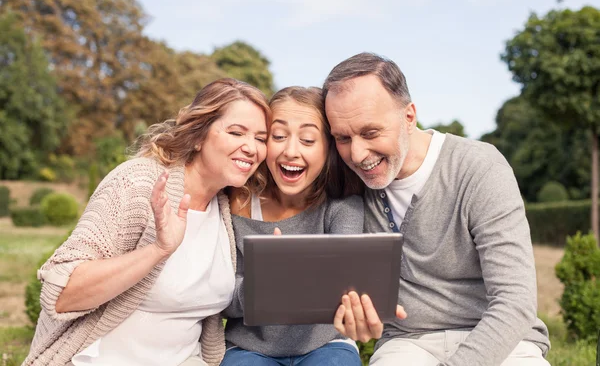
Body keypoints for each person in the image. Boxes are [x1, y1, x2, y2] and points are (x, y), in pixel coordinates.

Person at [323, 53, 551, 366]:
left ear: (409, 117)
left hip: (502, 341)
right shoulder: (348, 179)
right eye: (342, 138)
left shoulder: (479, 167)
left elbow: (516, 302)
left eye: (371, 133)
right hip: (407, 343)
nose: (358, 153)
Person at [24, 78, 271, 366]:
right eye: (236, 132)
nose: (251, 148)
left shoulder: (227, 205)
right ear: (199, 135)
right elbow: (61, 296)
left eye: (261, 138)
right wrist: (158, 250)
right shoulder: (138, 182)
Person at [220, 86, 365, 366]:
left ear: (328, 148)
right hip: (248, 347)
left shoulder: (343, 206)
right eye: (278, 136)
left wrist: (292, 278)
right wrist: (261, 284)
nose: (291, 151)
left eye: (308, 139)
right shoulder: (238, 199)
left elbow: (345, 290)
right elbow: (223, 300)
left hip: (327, 345)